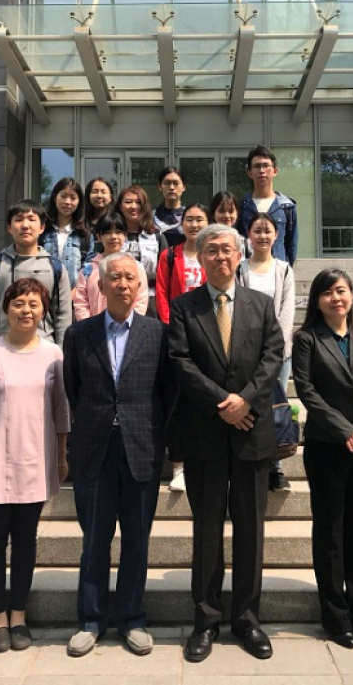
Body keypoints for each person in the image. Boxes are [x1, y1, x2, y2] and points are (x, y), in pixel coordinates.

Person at [168, 224, 284, 663]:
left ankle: (248, 620)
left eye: (227, 249)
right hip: (205, 434)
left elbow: (273, 356)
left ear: (239, 255)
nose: (220, 256)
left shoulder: (262, 304)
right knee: (207, 530)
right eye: (211, 250)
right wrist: (224, 403)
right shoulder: (185, 307)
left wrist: (245, 400)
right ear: (200, 258)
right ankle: (206, 621)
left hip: (252, 432)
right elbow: (180, 361)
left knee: (251, 530)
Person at [63, 253, 176, 658]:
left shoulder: (158, 334)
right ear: (102, 285)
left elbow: (168, 393)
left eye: (130, 277)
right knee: (94, 540)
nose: (123, 284)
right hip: (94, 449)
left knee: (136, 541)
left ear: (140, 285)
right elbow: (73, 389)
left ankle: (132, 618)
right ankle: (91, 620)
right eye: (115, 277)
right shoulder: (79, 334)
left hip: (141, 449)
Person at [0, 278, 70, 654]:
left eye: (34, 304)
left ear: (44, 312)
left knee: (26, 540)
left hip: (35, 461)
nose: (26, 310)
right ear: (6, 309)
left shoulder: (54, 355)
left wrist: (61, 456)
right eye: (19, 303)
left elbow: (61, 410)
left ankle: (19, 616)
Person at [292, 268, 353, 651]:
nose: (336, 298)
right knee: (330, 533)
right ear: (317, 301)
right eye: (328, 293)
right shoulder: (307, 340)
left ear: (351, 295)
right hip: (327, 447)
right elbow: (307, 390)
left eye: (341, 291)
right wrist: (342, 428)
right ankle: (336, 619)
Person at [0, 199, 72, 355]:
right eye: (18, 219)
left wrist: (62, 356)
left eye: (31, 219)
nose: (25, 225)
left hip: (44, 353)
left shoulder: (55, 267)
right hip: (0, 350)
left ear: (42, 227)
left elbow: (63, 315)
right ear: (9, 227)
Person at [238, 212, 295, 492]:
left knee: (275, 406)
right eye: (257, 230)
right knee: (250, 403)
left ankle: (276, 466)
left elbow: (287, 312)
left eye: (267, 230)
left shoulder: (284, 269)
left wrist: (276, 348)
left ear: (276, 235)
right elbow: (239, 307)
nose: (262, 235)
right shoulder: (240, 269)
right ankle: (253, 459)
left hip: (278, 352)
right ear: (248, 236)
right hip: (247, 350)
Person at [155, 202, 210, 494]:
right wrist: (170, 328)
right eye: (189, 219)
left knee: (205, 402)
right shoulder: (169, 255)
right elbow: (162, 294)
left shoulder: (211, 254)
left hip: (208, 336)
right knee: (177, 403)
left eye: (200, 219)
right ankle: (178, 466)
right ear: (181, 224)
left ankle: (204, 463)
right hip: (176, 335)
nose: (194, 225)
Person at [74, 211, 148, 320]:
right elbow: (81, 303)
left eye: (118, 232)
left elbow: (140, 301)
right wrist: (88, 326)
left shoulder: (136, 267)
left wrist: (131, 325)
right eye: (108, 233)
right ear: (99, 237)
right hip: (93, 327)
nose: (113, 237)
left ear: (125, 235)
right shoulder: (88, 270)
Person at [239, 145, 298, 268]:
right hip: (248, 271)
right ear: (249, 173)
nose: (261, 170)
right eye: (257, 166)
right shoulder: (242, 207)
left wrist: (286, 270)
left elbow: (291, 245)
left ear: (275, 171)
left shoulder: (286, 207)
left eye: (266, 165)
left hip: (277, 270)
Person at [117, 184, 168, 317]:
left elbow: (165, 274)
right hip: (120, 297)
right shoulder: (114, 236)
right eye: (128, 202)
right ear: (120, 206)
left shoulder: (157, 237)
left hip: (151, 300)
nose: (133, 206)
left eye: (138, 202)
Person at [41, 178, 89, 301]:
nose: (68, 202)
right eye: (63, 196)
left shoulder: (84, 234)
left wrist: (72, 295)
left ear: (79, 202)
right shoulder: (42, 230)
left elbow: (89, 268)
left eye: (73, 198)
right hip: (43, 297)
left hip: (75, 298)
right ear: (54, 197)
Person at [153, 166, 187, 248]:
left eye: (176, 183)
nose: (171, 187)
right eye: (167, 183)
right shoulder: (151, 217)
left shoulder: (189, 216)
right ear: (160, 186)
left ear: (184, 187)